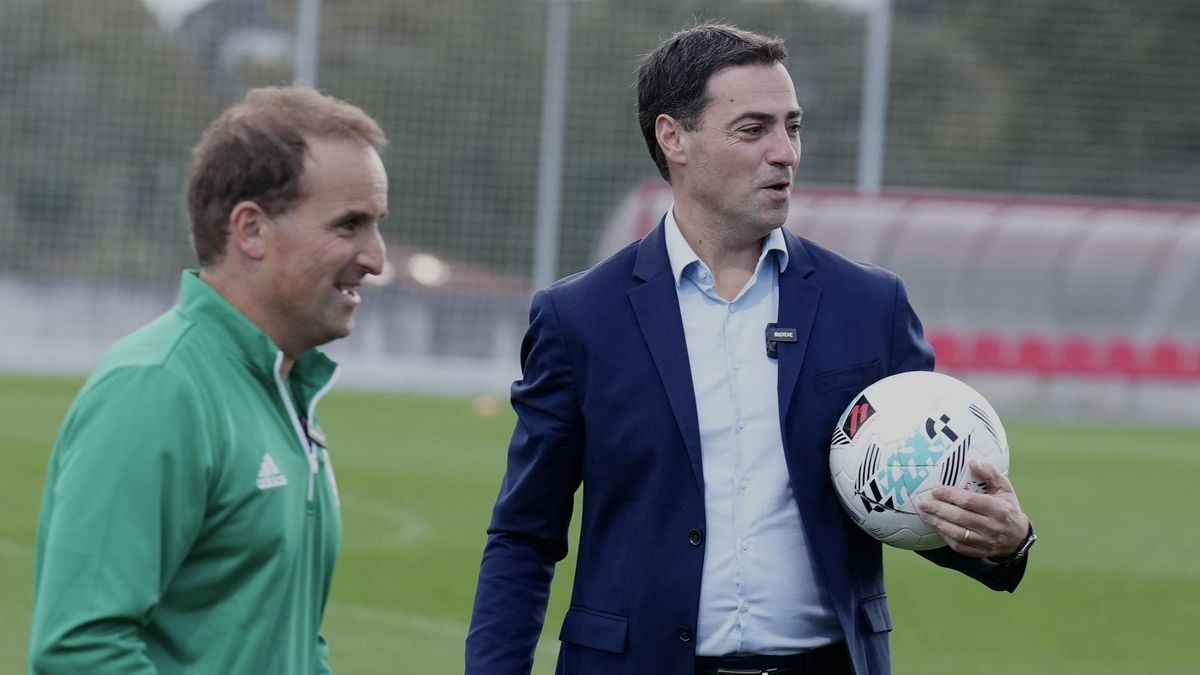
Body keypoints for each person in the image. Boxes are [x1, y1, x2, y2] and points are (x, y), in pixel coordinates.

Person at [466, 23, 1034, 675]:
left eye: (791, 126)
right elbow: (525, 533)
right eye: (754, 129)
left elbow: (913, 495)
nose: (785, 152)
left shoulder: (869, 305)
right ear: (673, 137)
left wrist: (1000, 540)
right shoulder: (580, 317)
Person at [28, 86, 389, 674]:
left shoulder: (283, 388)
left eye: (375, 224)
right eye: (349, 225)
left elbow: (289, 641)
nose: (375, 257)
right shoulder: (158, 388)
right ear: (250, 230)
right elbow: (79, 652)